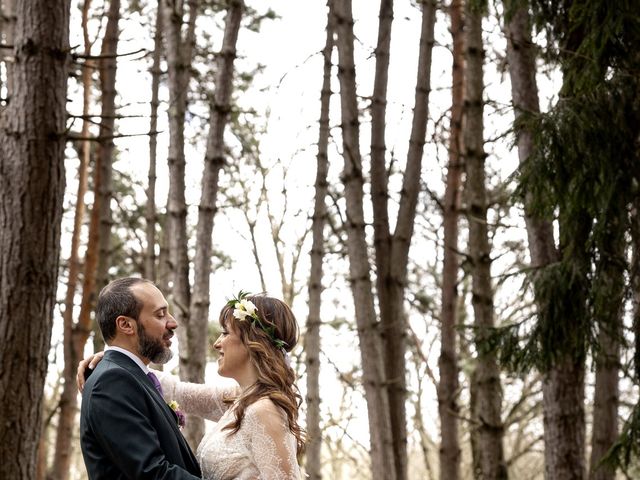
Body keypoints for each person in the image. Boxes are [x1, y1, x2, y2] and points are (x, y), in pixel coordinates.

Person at [79, 291, 305, 480]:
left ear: (253, 341)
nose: (217, 343)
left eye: (226, 333)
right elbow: (176, 391)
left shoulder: (264, 410)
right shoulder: (238, 400)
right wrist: (116, 356)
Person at [79, 277, 201, 479]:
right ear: (126, 324)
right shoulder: (111, 382)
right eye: (160, 315)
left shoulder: (130, 377)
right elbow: (152, 473)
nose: (173, 322)